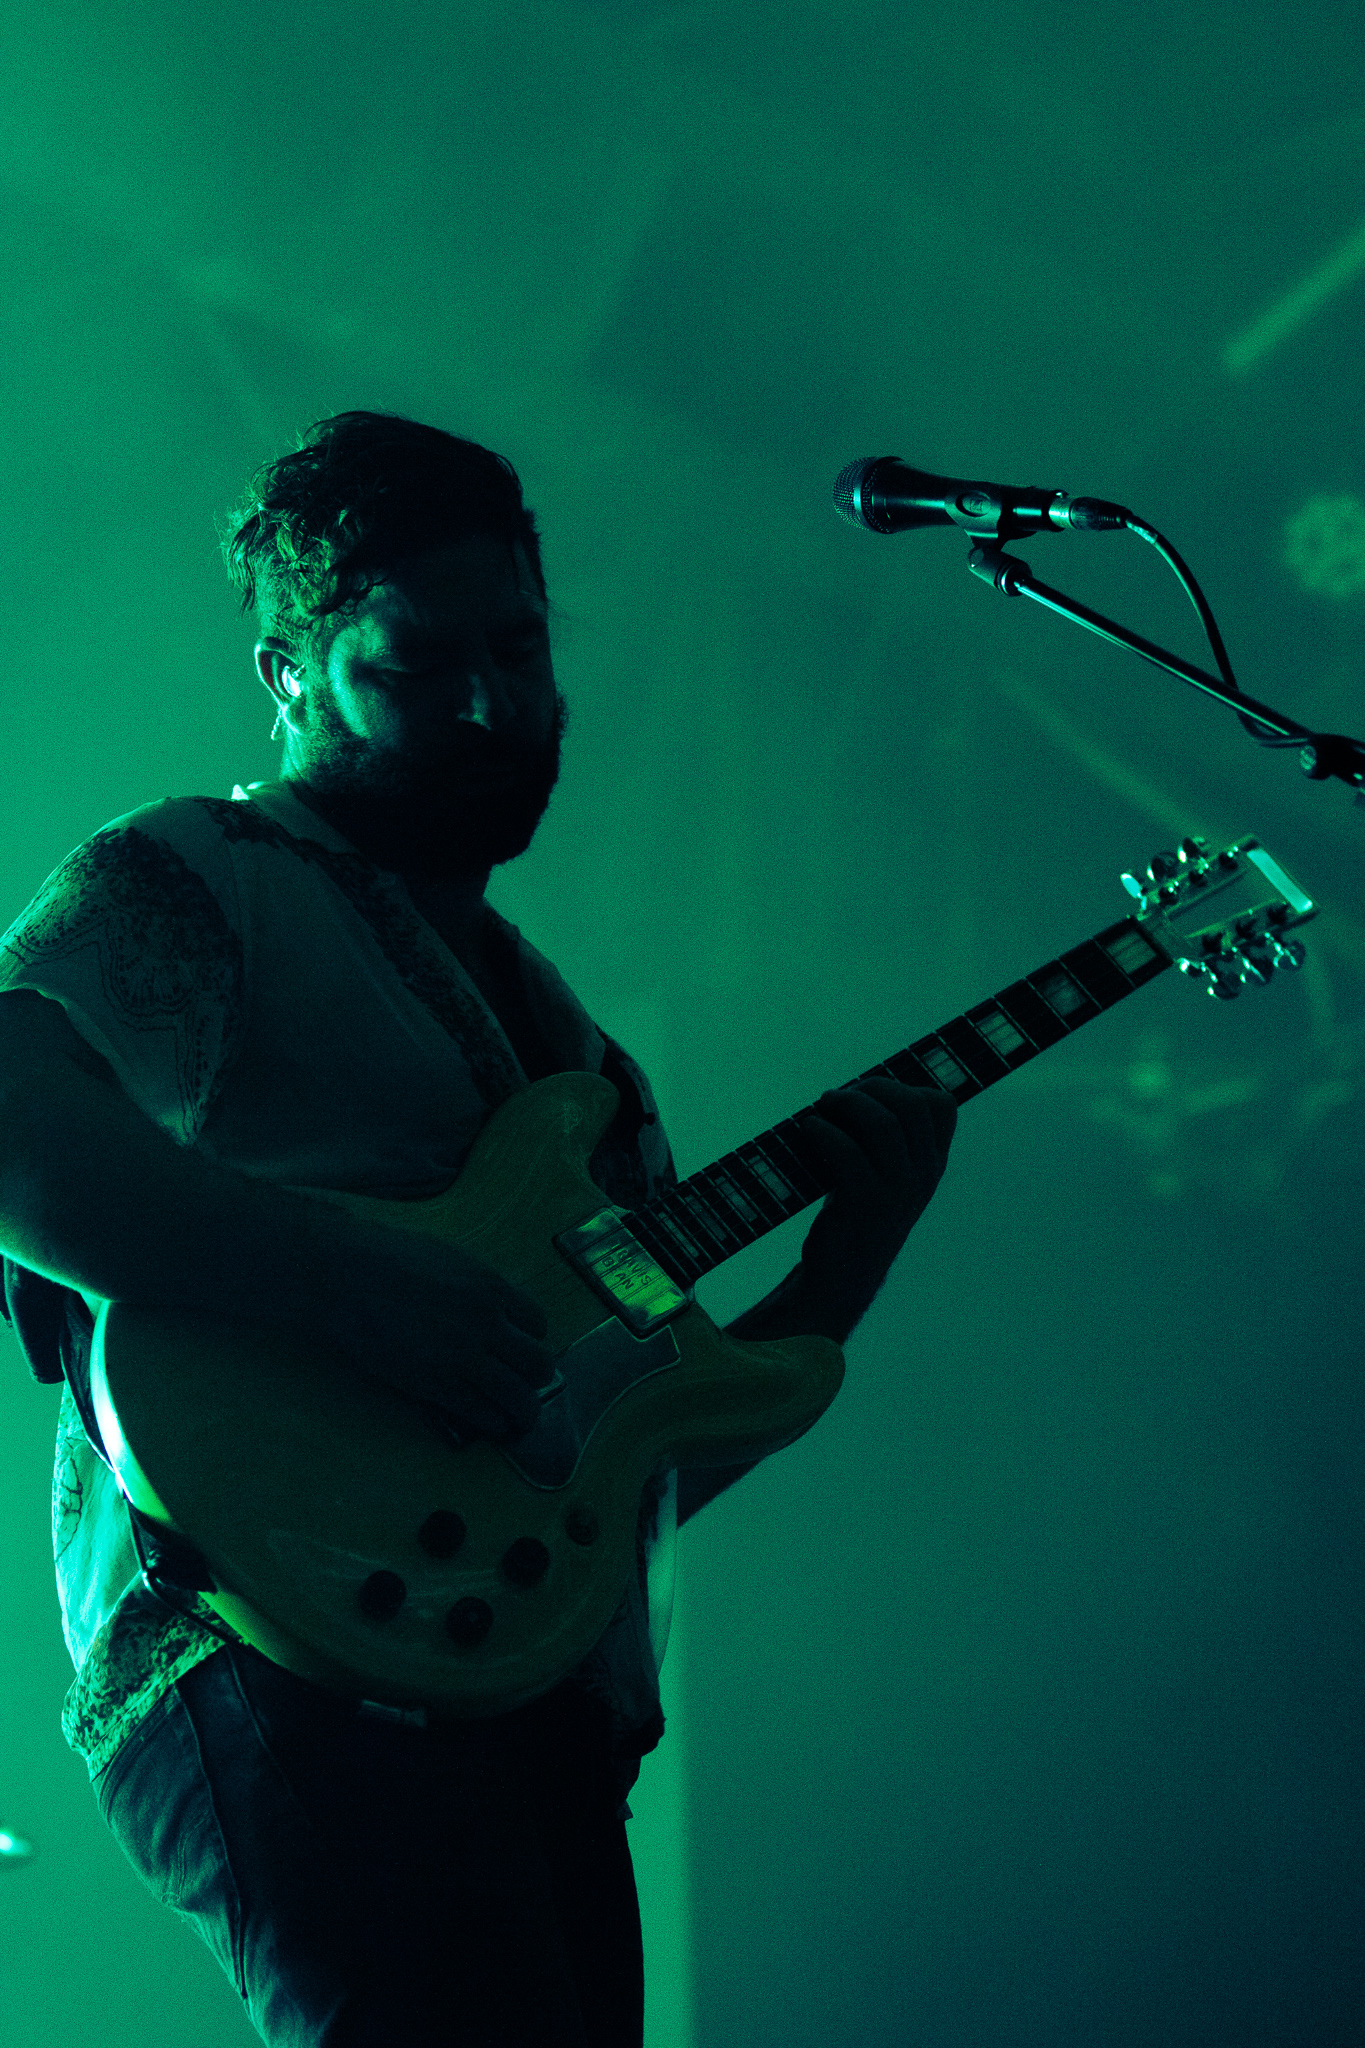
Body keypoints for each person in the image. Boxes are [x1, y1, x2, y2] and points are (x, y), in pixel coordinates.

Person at [0, 412, 956, 2046]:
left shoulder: (587, 1068)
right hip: (260, 1651)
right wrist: (346, 1281)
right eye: (416, 663)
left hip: (522, 1701)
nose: (488, 703)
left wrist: (844, 1262)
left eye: (517, 648)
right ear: (288, 670)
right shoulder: (200, 874)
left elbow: (602, 1471)